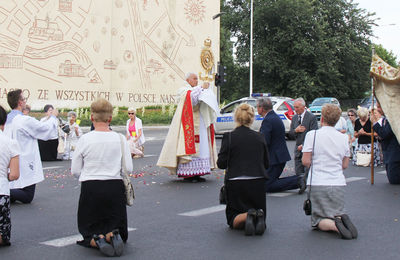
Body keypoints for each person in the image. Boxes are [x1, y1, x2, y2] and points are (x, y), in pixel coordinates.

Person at [72, 98, 132, 257]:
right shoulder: (120, 139)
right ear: (110, 118)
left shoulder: (85, 139)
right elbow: (129, 168)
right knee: (114, 223)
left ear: (92, 117)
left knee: (89, 227)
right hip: (114, 187)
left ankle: (96, 239)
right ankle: (112, 235)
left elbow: (75, 170)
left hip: (91, 187)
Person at [302, 104, 357, 240]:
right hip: (337, 183)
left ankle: (335, 225)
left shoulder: (312, 135)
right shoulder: (343, 138)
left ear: (322, 118)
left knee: (318, 220)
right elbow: (344, 165)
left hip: (317, 182)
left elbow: (306, 161)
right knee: (335, 211)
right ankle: (340, 218)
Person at [217, 103, 269, 236]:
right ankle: (257, 214)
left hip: (236, 181)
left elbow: (221, 164)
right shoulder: (260, 137)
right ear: (252, 119)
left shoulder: (229, 137)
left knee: (232, 218)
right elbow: (266, 163)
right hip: (257, 181)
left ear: (236, 117)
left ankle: (247, 215)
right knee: (258, 207)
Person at [157, 72, 219, 183]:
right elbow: (191, 98)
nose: (196, 81)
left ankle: (199, 172)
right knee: (190, 148)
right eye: (194, 79)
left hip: (201, 123)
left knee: (203, 147)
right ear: (188, 80)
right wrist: (201, 88)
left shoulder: (197, 89)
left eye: (197, 79)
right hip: (188, 126)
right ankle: (190, 174)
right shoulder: (183, 90)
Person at [4, 89, 58, 204]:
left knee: (15, 187)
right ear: (20, 102)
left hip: (8, 159)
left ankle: (6, 193)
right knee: (27, 196)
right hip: (24, 159)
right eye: (24, 99)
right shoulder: (24, 120)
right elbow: (45, 129)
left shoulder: (5, 120)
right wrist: (53, 117)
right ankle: (3, 192)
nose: (25, 101)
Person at [257, 98, 305, 193]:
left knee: (266, 185)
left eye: (257, 107)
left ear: (262, 108)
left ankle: (298, 180)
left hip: (274, 158)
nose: (256, 109)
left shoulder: (268, 120)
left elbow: (265, 141)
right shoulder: (273, 117)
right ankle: (298, 180)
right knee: (268, 182)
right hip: (278, 156)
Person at [0, 105, 20, 246]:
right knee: (3, 235)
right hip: (2, 191)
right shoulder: (10, 143)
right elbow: (14, 175)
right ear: (4, 122)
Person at [371, 101, 400, 184]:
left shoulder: (393, 119)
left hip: (394, 153)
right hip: (388, 151)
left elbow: (385, 134)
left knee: (394, 180)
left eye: (379, 107)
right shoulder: (386, 119)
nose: (378, 110)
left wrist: (375, 123)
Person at [289, 98, 318, 177]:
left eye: (297, 107)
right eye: (294, 107)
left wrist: (304, 145)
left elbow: (314, 133)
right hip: (297, 149)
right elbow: (290, 134)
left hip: (307, 148)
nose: (295, 109)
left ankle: (306, 185)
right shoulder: (294, 118)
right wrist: (296, 130)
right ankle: (300, 185)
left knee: (307, 171)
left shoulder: (311, 117)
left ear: (303, 107)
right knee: (298, 170)